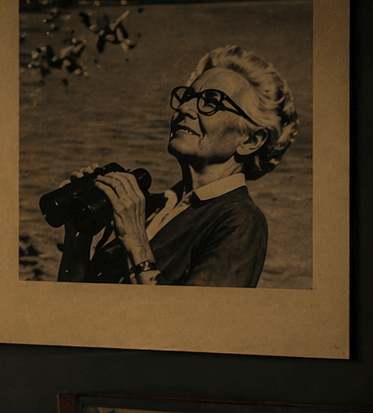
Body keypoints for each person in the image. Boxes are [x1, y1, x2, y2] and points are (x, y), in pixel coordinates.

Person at [56, 45, 297, 285]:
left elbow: (191, 319)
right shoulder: (154, 207)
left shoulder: (241, 220)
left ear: (250, 140)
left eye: (211, 102)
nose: (184, 108)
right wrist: (79, 235)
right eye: (188, 97)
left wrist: (136, 241)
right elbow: (74, 307)